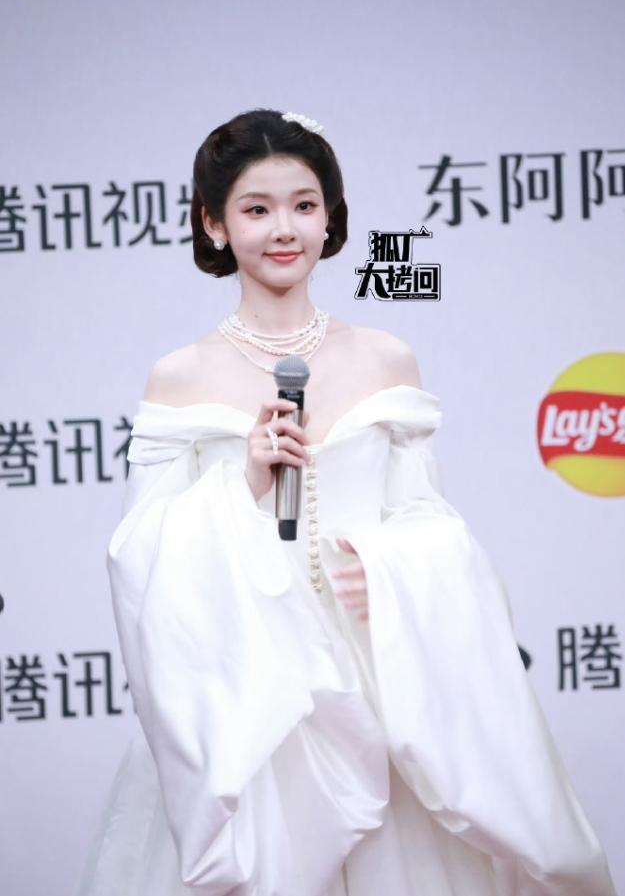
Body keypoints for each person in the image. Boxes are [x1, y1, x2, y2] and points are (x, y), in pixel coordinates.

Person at [74, 109, 618, 896]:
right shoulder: (179, 376)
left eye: (303, 204)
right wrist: (244, 481)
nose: (283, 228)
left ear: (329, 216)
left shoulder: (384, 356)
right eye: (256, 208)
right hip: (258, 689)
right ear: (214, 223)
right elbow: (141, 556)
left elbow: (427, 514)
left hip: (381, 670)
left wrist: (394, 568)